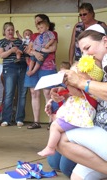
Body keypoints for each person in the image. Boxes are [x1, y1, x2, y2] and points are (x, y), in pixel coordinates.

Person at [50, 24, 107, 179]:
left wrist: (81, 83)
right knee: (74, 174)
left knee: (61, 141)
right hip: (99, 128)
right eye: (82, 51)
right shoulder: (97, 64)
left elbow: (89, 89)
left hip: (99, 130)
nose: (85, 54)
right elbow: (87, 95)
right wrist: (63, 93)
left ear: (105, 42)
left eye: (87, 48)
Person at [38, 55, 103, 157]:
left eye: (77, 75)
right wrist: (54, 96)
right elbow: (65, 94)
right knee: (56, 121)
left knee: (55, 126)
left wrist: (66, 82)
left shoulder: (88, 90)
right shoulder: (82, 88)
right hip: (75, 116)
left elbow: (74, 92)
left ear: (91, 78)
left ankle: (50, 147)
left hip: (80, 118)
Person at [24, 14, 58, 129]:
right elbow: (28, 50)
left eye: (39, 21)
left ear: (46, 23)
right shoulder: (34, 35)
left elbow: (53, 48)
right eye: (36, 22)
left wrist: (38, 50)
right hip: (33, 65)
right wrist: (35, 53)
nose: (37, 24)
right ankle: (36, 122)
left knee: (48, 93)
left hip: (48, 67)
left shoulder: (53, 34)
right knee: (34, 93)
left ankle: (51, 121)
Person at [0, 22, 27, 127]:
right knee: (9, 93)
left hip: (22, 67)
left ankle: (19, 118)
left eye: (12, 29)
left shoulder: (19, 41)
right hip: (9, 68)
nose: (10, 32)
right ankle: (6, 119)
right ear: (4, 31)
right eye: (8, 30)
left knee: (22, 93)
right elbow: (1, 55)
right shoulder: (0, 42)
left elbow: (26, 50)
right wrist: (11, 50)